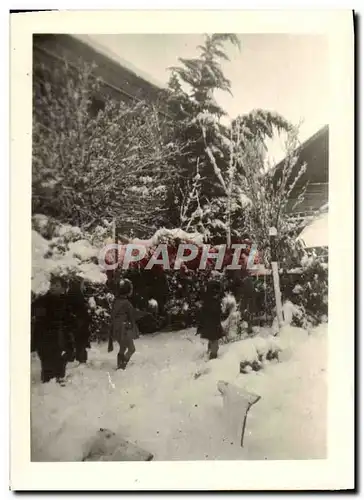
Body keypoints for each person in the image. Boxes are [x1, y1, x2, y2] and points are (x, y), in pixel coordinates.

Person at [32, 276, 72, 384]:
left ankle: (58, 382)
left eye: (57, 285)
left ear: (63, 289)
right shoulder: (42, 301)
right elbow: (37, 320)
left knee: (60, 361)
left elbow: (68, 321)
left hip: (60, 338)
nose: (53, 287)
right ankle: (48, 385)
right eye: (52, 285)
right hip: (45, 339)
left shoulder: (65, 302)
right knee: (47, 364)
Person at [108, 278, 139, 370]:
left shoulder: (116, 301)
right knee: (132, 349)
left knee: (123, 347)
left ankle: (120, 364)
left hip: (116, 329)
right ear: (128, 291)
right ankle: (122, 366)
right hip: (123, 329)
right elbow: (132, 315)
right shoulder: (127, 303)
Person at [196, 279, 224, 360]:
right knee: (214, 340)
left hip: (209, 324)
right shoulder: (212, 301)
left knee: (212, 339)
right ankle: (213, 357)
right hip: (213, 324)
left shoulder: (208, 299)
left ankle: (209, 352)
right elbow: (215, 312)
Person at [67, 277, 91, 364]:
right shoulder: (77, 297)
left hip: (76, 324)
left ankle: (77, 359)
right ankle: (80, 361)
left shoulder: (70, 295)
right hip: (79, 325)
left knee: (78, 344)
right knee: (80, 344)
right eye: (82, 284)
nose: (83, 287)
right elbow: (82, 312)